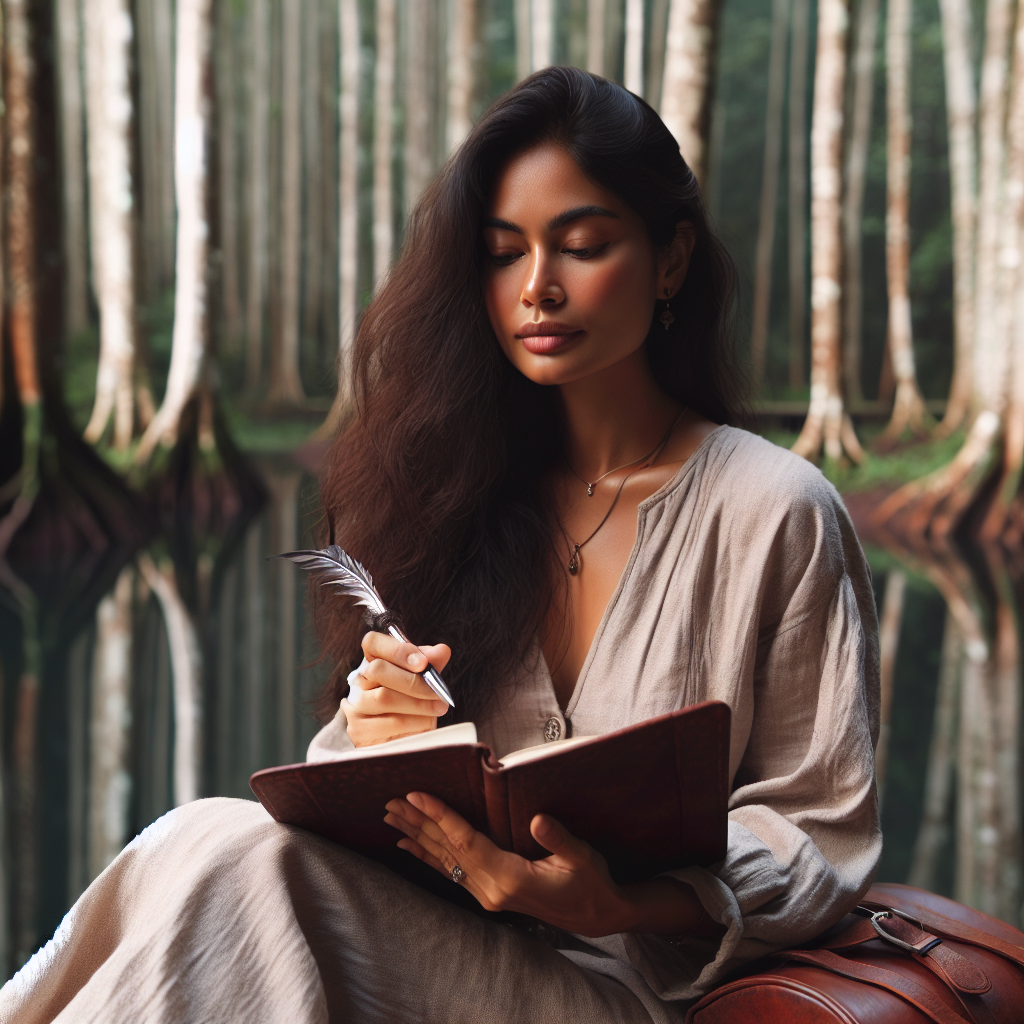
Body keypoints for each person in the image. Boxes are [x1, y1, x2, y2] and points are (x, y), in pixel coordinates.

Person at [1, 67, 880, 1024]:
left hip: (630, 993)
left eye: (581, 246)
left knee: (228, 857)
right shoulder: (449, 494)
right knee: (210, 840)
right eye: (505, 255)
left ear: (670, 261)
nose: (538, 288)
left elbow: (818, 830)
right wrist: (373, 733)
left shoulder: (777, 509)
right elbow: (343, 828)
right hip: (435, 952)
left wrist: (618, 900)